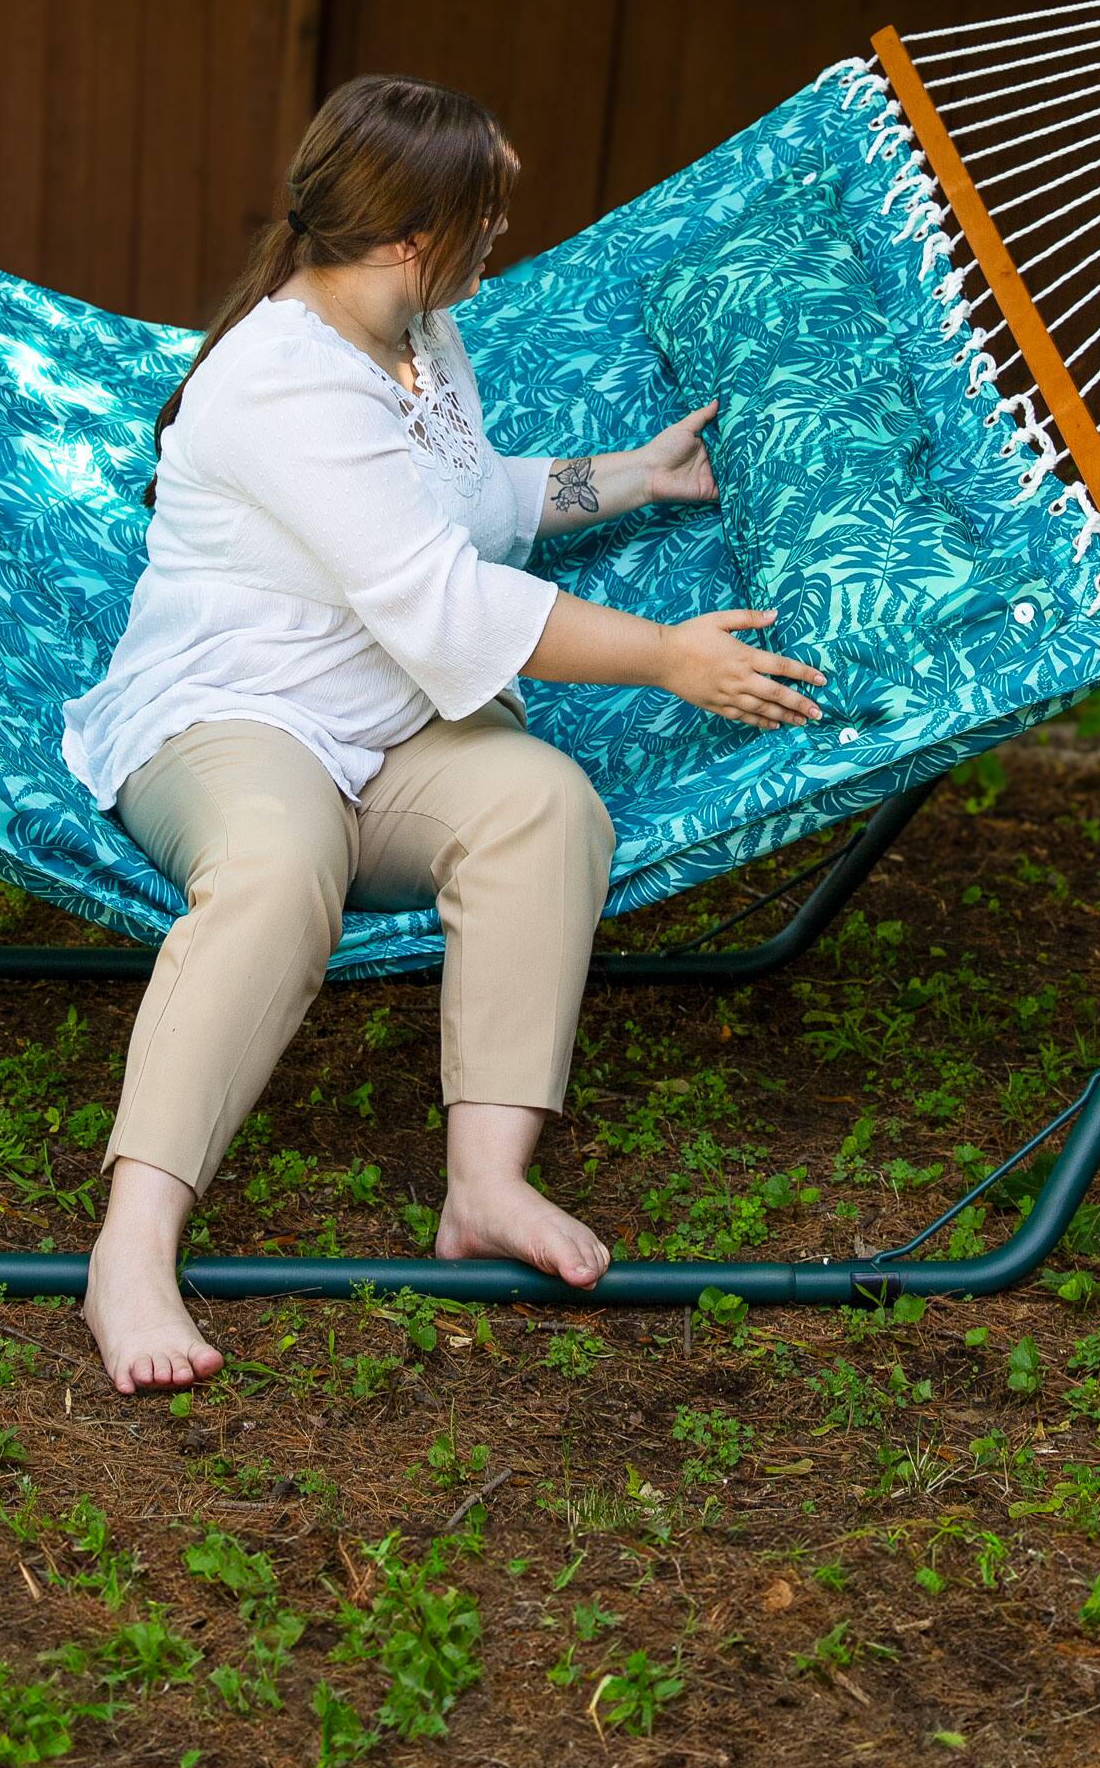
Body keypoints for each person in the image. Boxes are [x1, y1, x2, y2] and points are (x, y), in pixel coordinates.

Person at [62, 73, 827, 1391]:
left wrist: (632, 479)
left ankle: (484, 1185)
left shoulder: (418, 334)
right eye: (489, 213)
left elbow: (464, 506)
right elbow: (446, 597)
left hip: (390, 729)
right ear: (414, 235)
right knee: (277, 864)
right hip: (231, 717)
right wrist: (663, 659)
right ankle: (129, 1251)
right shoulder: (280, 383)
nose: (505, 236)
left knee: (543, 804)